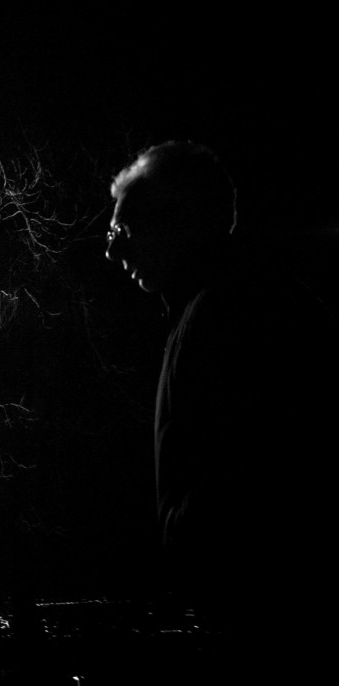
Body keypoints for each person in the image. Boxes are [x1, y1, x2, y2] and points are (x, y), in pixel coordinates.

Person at [105, 140, 333, 678]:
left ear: (177, 219)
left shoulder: (233, 312)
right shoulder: (245, 301)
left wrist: (194, 548)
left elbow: (264, 469)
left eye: (123, 229)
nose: (112, 252)